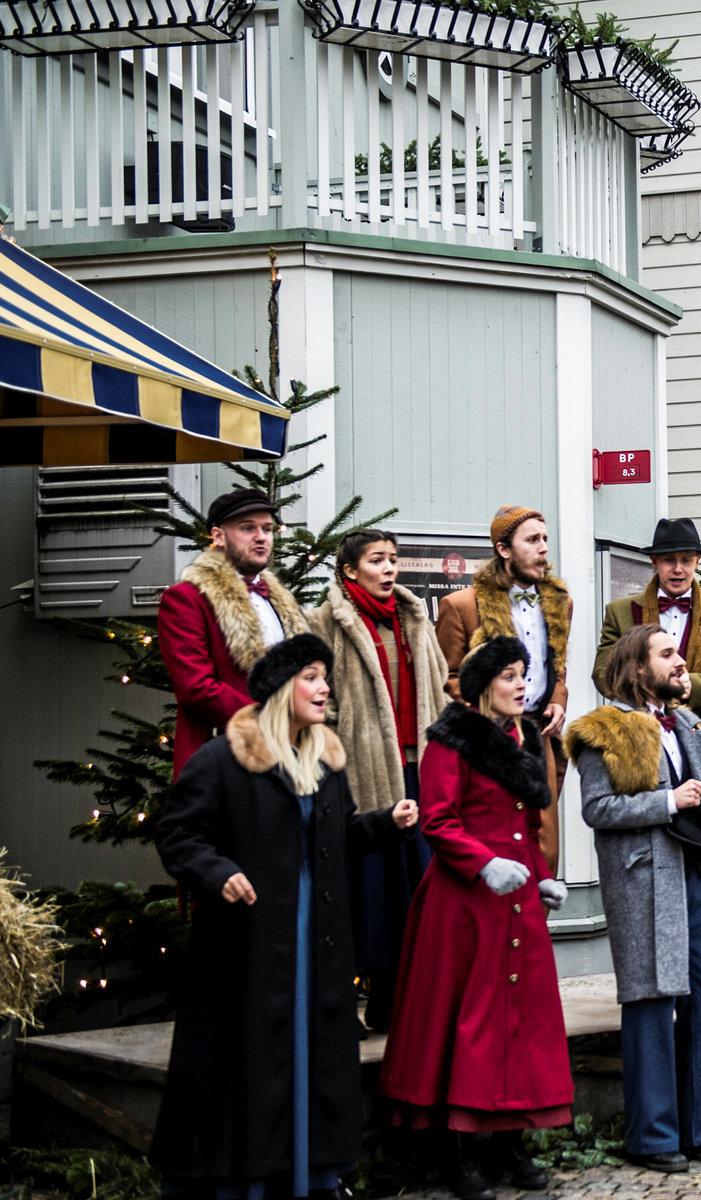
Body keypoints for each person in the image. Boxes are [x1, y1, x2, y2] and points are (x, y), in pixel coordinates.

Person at [152, 634, 419, 1198]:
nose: (325, 688)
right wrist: (216, 871)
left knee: (311, 1055)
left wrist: (383, 823)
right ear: (281, 689)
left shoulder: (325, 759)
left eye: (326, 677)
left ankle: (313, 1176)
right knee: (253, 1060)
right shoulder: (225, 758)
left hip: (314, 938)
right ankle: (248, 1182)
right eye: (312, 677)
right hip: (248, 944)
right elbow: (177, 832)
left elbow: (338, 835)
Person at [379, 637, 571, 1199]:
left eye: (523, 675)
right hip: (465, 905)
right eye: (509, 676)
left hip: (517, 903)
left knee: (520, 1022)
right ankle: (459, 1152)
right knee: (472, 1022)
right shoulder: (451, 740)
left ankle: (509, 1141)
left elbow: (528, 826)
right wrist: (484, 863)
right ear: (485, 683)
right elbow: (438, 820)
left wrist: (541, 876)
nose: (520, 685)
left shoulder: (526, 737)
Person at [567, 625, 701, 1174]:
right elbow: (597, 811)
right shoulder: (601, 732)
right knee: (651, 1005)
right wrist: (665, 802)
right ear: (637, 668)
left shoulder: (692, 725)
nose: (681, 664)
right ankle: (652, 1138)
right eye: (668, 655)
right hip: (647, 884)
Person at [309, 528, 447, 1033]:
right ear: (349, 570)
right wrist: (338, 750)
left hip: (418, 768)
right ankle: (347, 1007)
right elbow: (320, 701)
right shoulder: (325, 623)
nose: (389, 569)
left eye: (393, 560)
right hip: (363, 773)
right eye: (377, 560)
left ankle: (397, 1006)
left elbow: (438, 687)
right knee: (369, 892)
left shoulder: (414, 620)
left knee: (416, 888)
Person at [436, 505, 572, 869]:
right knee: (497, 839)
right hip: (488, 740)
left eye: (545, 539)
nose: (543, 548)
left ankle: (535, 924)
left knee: (544, 847)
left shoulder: (560, 603)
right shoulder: (461, 606)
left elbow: (558, 668)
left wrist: (558, 699)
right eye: (532, 540)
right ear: (504, 549)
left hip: (538, 735)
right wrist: (488, 714)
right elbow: (447, 677)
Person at [158, 488, 306, 779]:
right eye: (247, 528)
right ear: (218, 536)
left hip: (288, 755)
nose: (262, 537)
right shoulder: (187, 598)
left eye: (267, 528)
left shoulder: (279, 600)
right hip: (225, 758)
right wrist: (270, 719)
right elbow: (196, 688)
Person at [595, 517, 701, 742]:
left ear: (698, 561)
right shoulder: (620, 612)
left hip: (697, 736)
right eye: (668, 560)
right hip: (633, 735)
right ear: (654, 561)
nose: (678, 569)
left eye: (686, 560)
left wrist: (689, 685)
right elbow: (603, 673)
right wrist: (650, 686)